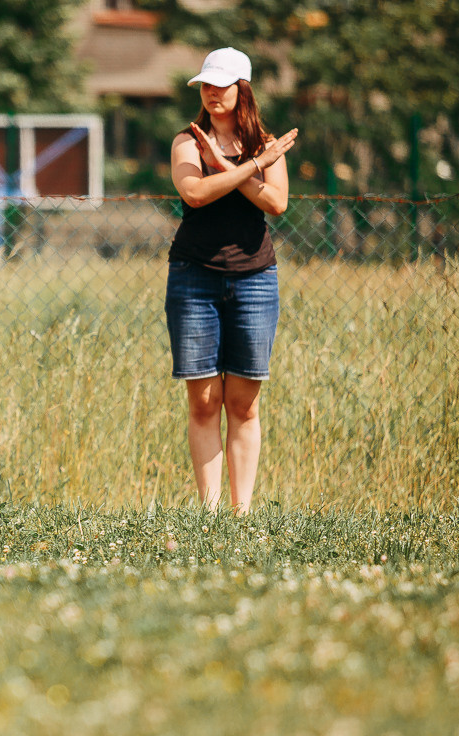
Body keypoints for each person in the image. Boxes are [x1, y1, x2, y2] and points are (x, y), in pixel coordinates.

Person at [166, 47, 299, 514]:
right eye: (206, 84)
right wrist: (251, 168)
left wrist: (231, 167)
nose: (211, 92)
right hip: (193, 279)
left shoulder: (265, 142)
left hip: (254, 280)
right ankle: (210, 512)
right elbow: (195, 193)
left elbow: (277, 204)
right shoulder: (188, 140)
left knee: (243, 404)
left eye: (221, 85)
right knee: (204, 402)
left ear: (243, 89)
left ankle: (240, 514)